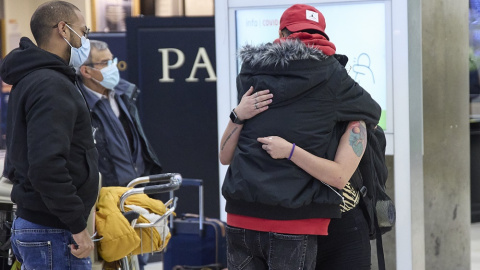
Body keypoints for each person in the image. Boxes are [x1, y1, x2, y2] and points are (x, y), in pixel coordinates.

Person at [220, 4, 381, 270]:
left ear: (281, 32)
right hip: (295, 217)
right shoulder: (332, 75)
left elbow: (224, 156)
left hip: (241, 213)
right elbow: (371, 111)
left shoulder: (252, 71)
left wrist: (238, 114)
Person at [0, 1, 99, 269]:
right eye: (84, 31)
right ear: (64, 30)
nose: (86, 39)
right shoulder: (51, 85)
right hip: (54, 232)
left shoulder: (34, 78)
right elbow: (46, 165)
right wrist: (76, 225)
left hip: (44, 227)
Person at [76, 40, 162, 268]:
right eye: (105, 63)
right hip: (106, 206)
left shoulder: (124, 94)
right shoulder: (79, 105)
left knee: (138, 260)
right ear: (86, 70)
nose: (113, 66)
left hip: (134, 198)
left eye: (113, 60)